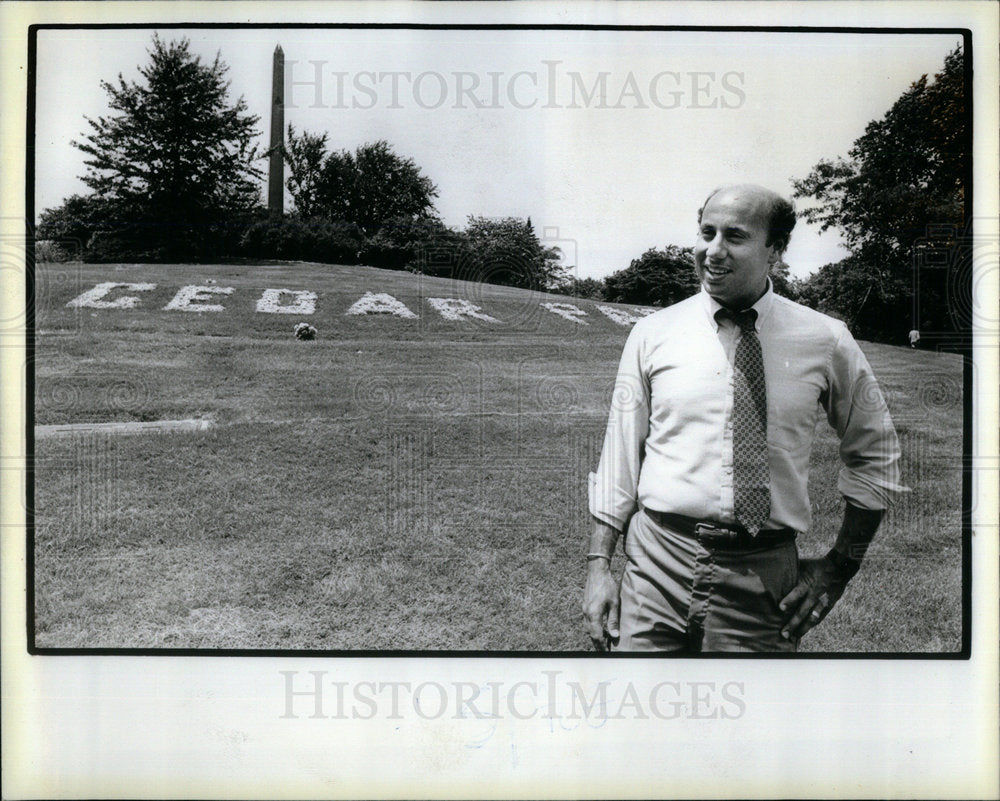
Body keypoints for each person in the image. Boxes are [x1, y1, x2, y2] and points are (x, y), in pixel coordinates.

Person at [583, 184, 904, 653]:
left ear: (775, 249)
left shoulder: (826, 339)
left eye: (734, 236)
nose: (713, 250)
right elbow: (620, 456)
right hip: (654, 565)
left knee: (750, 720)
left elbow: (876, 454)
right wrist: (598, 567)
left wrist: (839, 568)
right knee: (645, 714)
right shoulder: (653, 334)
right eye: (706, 232)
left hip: (763, 576)